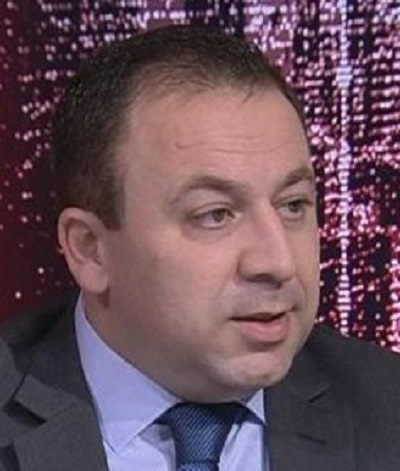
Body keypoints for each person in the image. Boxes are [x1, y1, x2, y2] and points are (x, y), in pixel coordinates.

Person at [0, 25, 399, 471]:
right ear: (90, 249)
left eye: (293, 206)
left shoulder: (388, 411)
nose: (279, 262)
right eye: (215, 215)